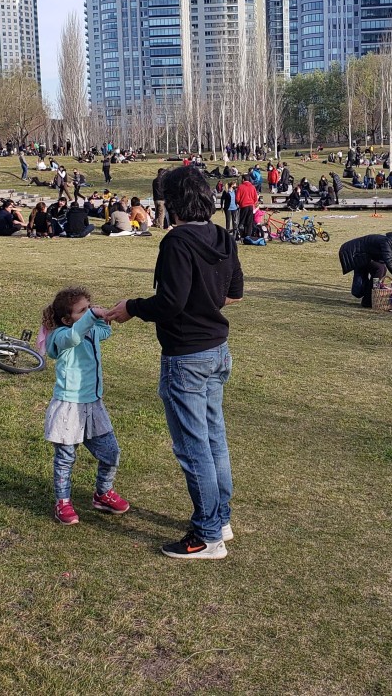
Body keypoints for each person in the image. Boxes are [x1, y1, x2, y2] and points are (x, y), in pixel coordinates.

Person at [107, 166, 244, 560]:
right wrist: (205, 303)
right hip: (216, 351)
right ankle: (219, 519)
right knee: (213, 439)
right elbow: (232, 293)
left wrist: (131, 307)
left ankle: (208, 535)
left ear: (174, 202)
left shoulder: (177, 242)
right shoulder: (221, 235)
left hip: (187, 357)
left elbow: (170, 303)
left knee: (194, 445)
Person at [41, 287, 130, 526]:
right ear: (66, 319)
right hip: (69, 407)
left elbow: (104, 331)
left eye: (89, 307)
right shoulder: (61, 336)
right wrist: (91, 317)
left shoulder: (89, 330)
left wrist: (105, 316)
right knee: (65, 458)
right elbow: (74, 337)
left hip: (93, 404)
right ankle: (62, 502)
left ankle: (103, 493)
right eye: (82, 311)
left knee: (111, 452)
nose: (89, 312)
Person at [338, 230, 392, 308]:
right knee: (358, 291)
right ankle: (368, 298)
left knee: (380, 269)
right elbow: (389, 262)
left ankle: (368, 299)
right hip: (354, 253)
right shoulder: (386, 242)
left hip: (368, 256)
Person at [234, 174, 258, 238]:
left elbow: (237, 198)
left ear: (243, 179)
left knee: (242, 221)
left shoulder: (240, 187)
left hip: (244, 206)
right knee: (249, 221)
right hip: (250, 206)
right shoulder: (252, 187)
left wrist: (239, 203)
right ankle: (248, 235)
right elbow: (255, 198)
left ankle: (240, 234)